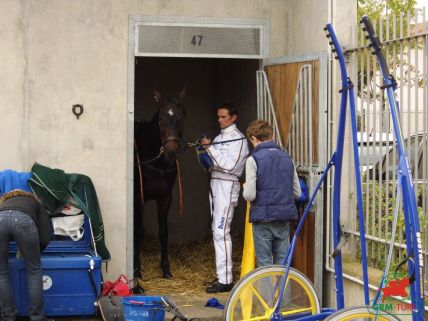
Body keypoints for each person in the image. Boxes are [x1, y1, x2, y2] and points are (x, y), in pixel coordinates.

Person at [200, 103, 249, 293]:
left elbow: (230, 166)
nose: (220, 120)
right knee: (216, 231)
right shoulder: (220, 137)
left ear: (233, 117)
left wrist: (210, 149)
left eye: (223, 117)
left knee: (221, 231)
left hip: (228, 185)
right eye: (218, 117)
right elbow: (213, 164)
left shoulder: (239, 139)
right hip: (215, 183)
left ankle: (226, 279)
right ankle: (222, 274)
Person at [243, 120, 301, 267]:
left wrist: (245, 187)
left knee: (265, 265)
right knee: (283, 264)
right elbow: (297, 193)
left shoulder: (252, 160)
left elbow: (250, 196)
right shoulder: (288, 158)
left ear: (254, 139)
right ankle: (283, 291)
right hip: (283, 219)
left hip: (263, 221)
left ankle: (267, 291)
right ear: (271, 136)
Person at [0, 189, 51, 321]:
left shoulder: (3, 205)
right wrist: (37, 250)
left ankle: (8, 315)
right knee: (34, 271)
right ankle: (36, 317)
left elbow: (8, 225)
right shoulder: (35, 202)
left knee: (1, 273)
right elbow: (45, 233)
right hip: (24, 220)